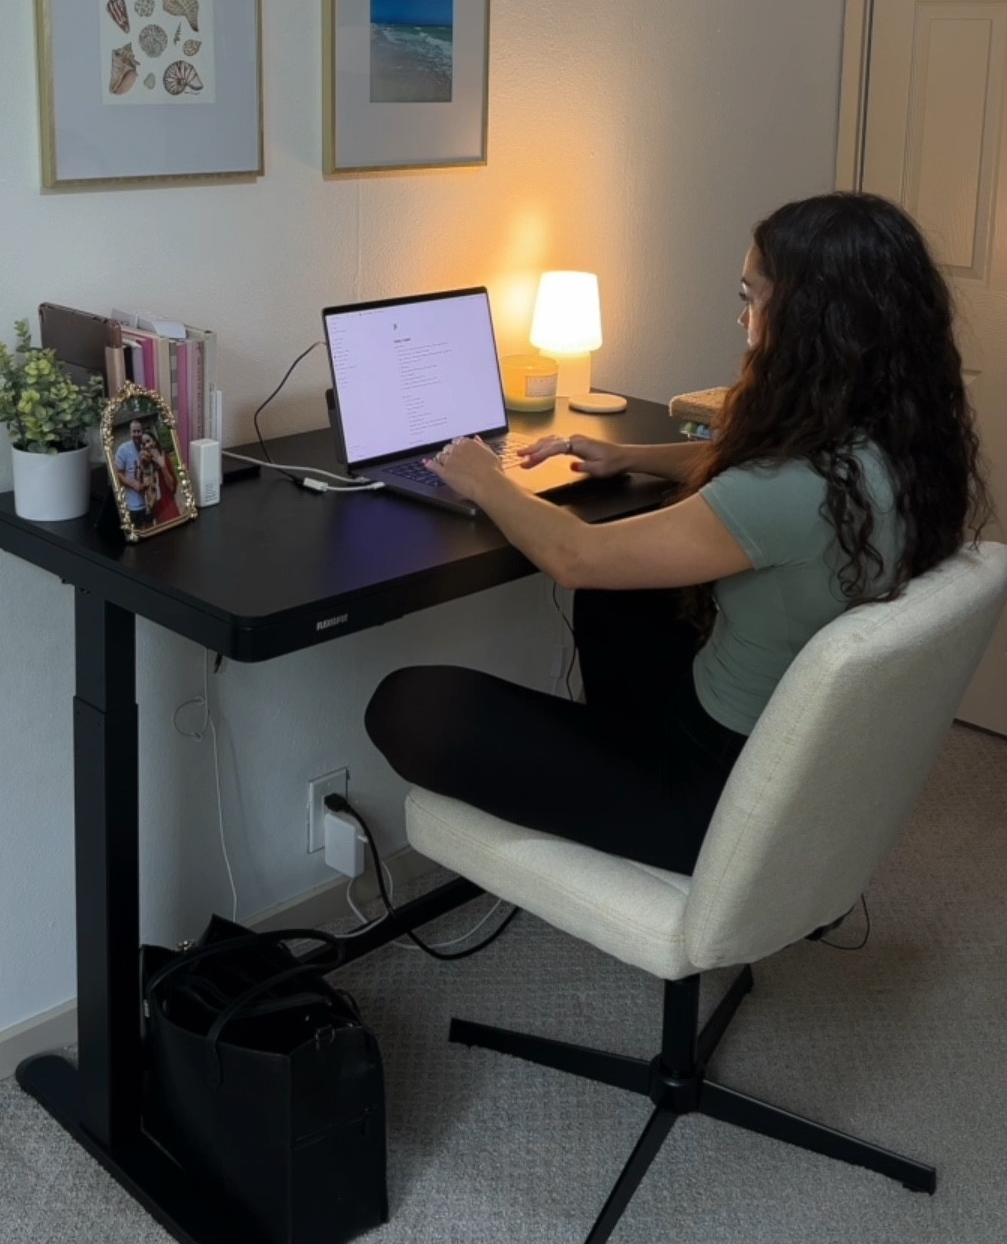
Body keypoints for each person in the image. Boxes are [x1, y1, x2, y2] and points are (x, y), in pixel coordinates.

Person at [365, 193, 989, 875]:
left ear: (814, 323)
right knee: (623, 599)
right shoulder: (899, 445)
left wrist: (485, 477)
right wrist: (634, 456)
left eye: (753, 299)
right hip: (776, 745)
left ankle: (620, 783)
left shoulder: (790, 491)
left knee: (406, 703)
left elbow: (574, 555)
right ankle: (606, 757)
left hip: (713, 792)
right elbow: (769, 472)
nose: (745, 321)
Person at [114, 417, 155, 529]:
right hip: (133, 504)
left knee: (151, 530)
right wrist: (133, 485)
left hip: (150, 502)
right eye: (134, 431)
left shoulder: (147, 447)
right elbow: (117, 473)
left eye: (139, 431)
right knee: (137, 532)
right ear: (130, 433)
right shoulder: (123, 449)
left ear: (142, 431)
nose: (137, 434)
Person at [140, 428, 180, 525]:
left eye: (148, 441)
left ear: (154, 441)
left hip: (169, 509)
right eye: (144, 444)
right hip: (157, 513)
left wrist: (163, 466)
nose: (147, 445)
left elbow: (172, 487)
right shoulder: (145, 466)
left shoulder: (164, 457)